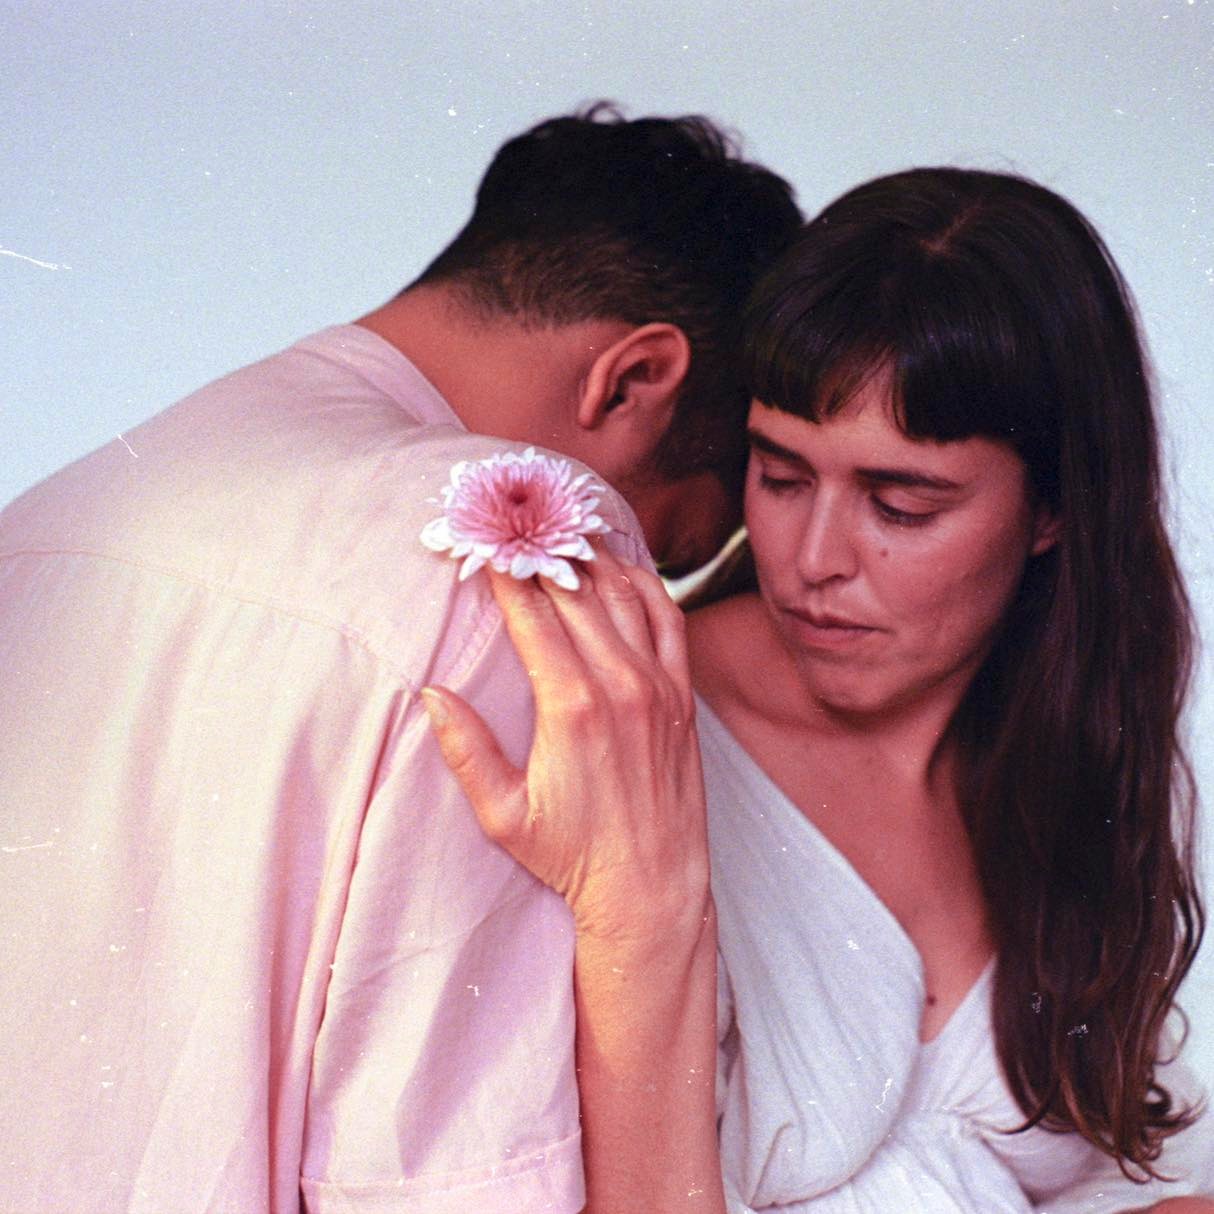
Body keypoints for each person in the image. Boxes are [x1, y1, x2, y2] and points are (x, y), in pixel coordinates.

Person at [0, 104, 801, 1213]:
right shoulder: (523, 567)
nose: (648, 600)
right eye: (671, 547)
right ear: (630, 381)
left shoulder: (51, 519)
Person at [427, 167, 1214, 1211]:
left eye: (901, 504)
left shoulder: (1077, 754)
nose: (811, 559)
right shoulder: (627, 727)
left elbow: (1135, 1164)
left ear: (1054, 509)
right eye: (780, 475)